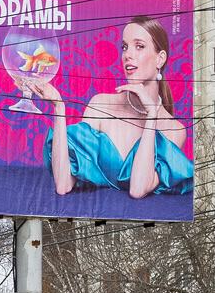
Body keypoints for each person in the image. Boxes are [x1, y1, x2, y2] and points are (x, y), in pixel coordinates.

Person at [32, 16, 193, 199]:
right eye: (124, 47)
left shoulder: (175, 130)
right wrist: (58, 108)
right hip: (89, 220)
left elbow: (138, 190)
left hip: (136, 226)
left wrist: (151, 115)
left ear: (160, 59)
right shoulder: (101, 104)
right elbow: (63, 185)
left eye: (139, 46)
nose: (128, 55)